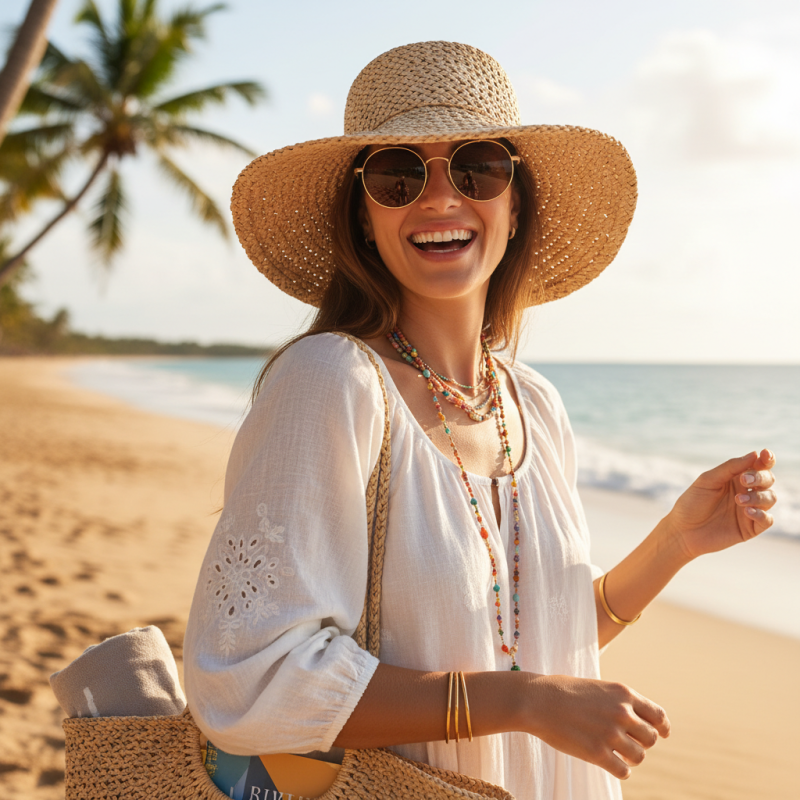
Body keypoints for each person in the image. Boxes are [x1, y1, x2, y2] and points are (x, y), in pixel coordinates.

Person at [183, 41, 777, 800]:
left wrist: (675, 543)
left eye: (477, 167)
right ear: (364, 216)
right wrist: (523, 705)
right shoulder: (330, 382)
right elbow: (250, 682)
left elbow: (523, 640)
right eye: (399, 174)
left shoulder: (534, 405)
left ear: (514, 199)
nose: (440, 199)